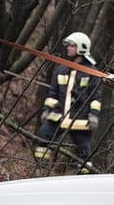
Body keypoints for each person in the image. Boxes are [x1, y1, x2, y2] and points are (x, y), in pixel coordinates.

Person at [34, 32, 102, 172]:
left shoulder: (92, 73)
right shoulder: (61, 69)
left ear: (81, 48)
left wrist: (93, 115)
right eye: (69, 46)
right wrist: (47, 110)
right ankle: (40, 170)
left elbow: (96, 98)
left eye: (72, 46)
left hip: (80, 120)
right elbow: (53, 93)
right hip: (58, 116)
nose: (68, 48)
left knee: (83, 153)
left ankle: (84, 179)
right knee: (43, 137)